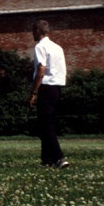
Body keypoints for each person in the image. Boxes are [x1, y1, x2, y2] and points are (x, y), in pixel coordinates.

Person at [30, 20, 68, 168]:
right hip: (58, 88)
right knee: (48, 123)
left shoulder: (40, 46)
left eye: (33, 31)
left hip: (46, 87)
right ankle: (47, 160)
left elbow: (41, 70)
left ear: (38, 31)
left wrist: (33, 92)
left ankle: (59, 157)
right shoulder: (57, 47)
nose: (33, 34)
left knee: (45, 126)